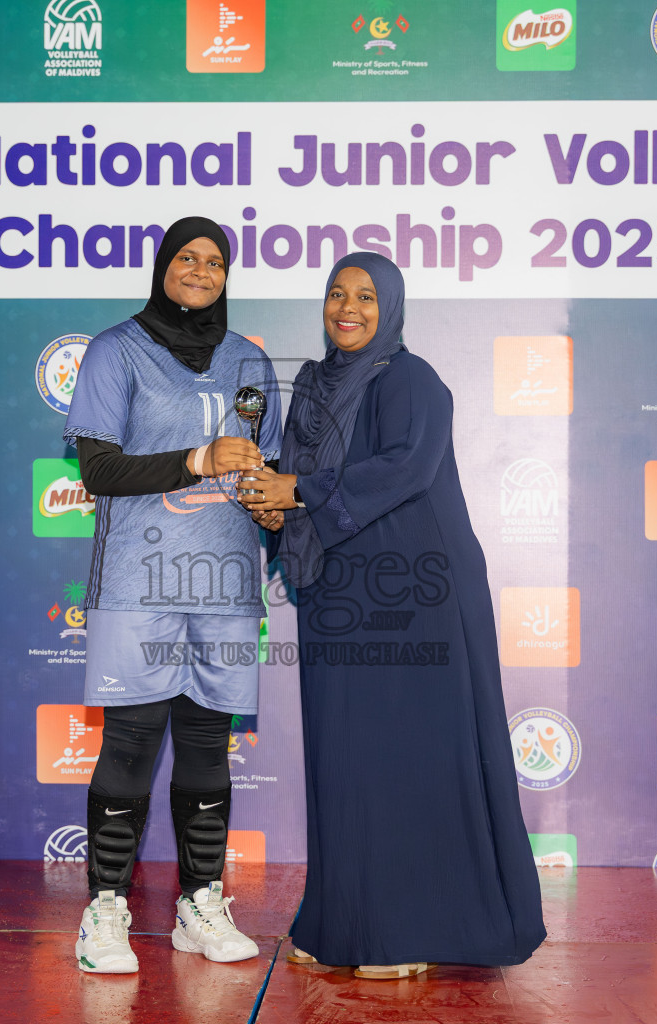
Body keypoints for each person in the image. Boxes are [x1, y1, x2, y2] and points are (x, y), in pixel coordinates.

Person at [239, 252, 546, 977]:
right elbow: (293, 477)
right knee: (345, 758)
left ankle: (409, 933)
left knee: (403, 760)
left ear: (394, 306)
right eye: (336, 294)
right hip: (336, 592)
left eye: (368, 296)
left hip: (415, 594)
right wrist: (267, 499)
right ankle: (342, 921)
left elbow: (406, 466)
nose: (348, 307)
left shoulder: (411, 379)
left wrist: (299, 492)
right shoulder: (313, 387)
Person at [63, 216, 282, 975]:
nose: (200, 270)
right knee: (128, 744)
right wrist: (198, 458)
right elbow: (98, 471)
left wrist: (272, 501)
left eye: (214, 260)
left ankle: (199, 903)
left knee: (203, 747)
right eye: (186, 257)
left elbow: (265, 472)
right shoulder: (114, 350)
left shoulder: (251, 361)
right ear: (162, 267)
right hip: (137, 584)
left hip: (222, 584)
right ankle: (106, 910)